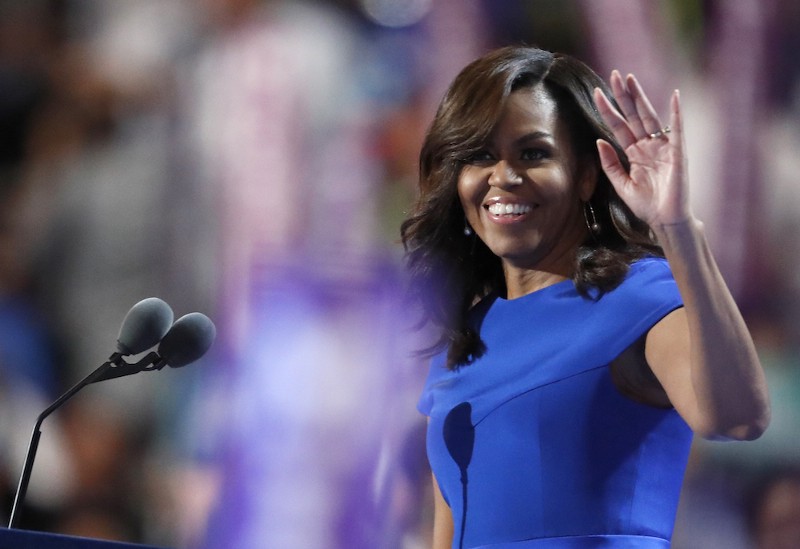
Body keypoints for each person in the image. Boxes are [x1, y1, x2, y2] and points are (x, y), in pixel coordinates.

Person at [400, 46, 770, 548]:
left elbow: (736, 417)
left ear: (586, 176)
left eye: (533, 153)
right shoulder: (466, 336)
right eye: (480, 155)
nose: (503, 177)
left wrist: (677, 228)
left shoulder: (641, 297)